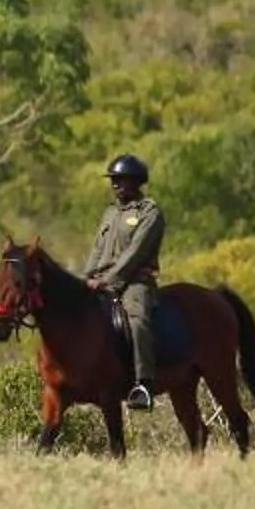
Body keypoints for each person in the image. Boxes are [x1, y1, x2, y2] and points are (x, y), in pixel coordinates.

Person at [79, 153, 165, 409]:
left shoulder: (150, 213)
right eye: (113, 180)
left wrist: (109, 281)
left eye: (121, 180)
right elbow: (97, 250)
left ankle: (143, 384)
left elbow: (135, 253)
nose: (115, 184)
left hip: (135, 283)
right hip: (100, 281)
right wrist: (85, 278)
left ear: (136, 181)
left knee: (137, 319)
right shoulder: (110, 213)